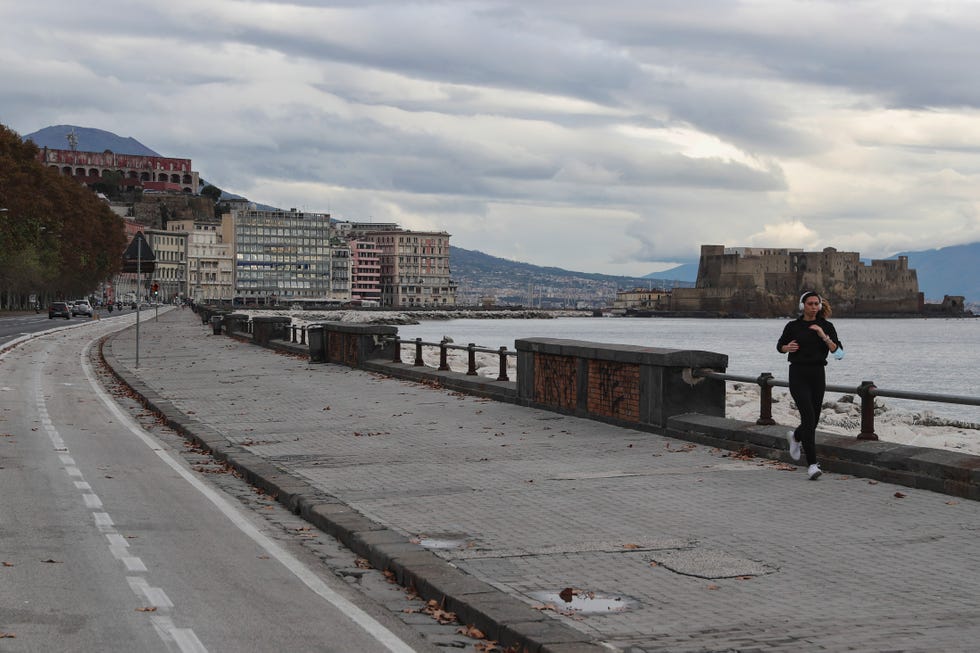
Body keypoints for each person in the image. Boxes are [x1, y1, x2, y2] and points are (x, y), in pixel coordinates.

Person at [776, 291, 843, 480]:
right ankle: (813, 464)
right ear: (802, 305)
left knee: (813, 421)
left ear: (820, 306)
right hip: (797, 373)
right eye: (810, 303)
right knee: (808, 417)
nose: (813, 307)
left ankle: (796, 437)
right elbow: (779, 346)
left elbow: (839, 353)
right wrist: (785, 348)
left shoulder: (827, 326)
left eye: (816, 304)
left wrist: (823, 335)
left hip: (817, 374)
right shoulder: (793, 326)